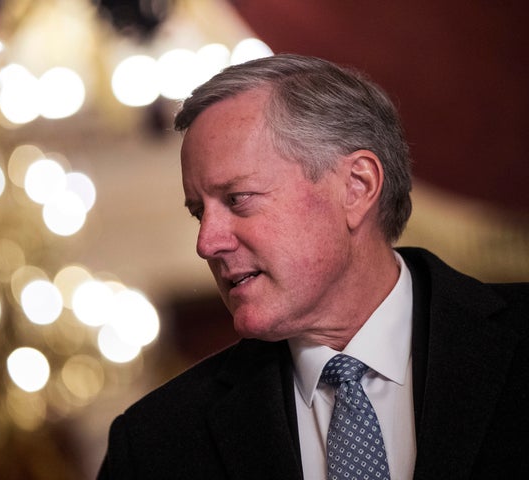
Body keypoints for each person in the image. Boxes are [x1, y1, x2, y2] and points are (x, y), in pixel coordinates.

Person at [97, 53, 529, 479]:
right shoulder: (154, 444)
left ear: (356, 187)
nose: (206, 243)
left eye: (237, 199)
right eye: (199, 212)